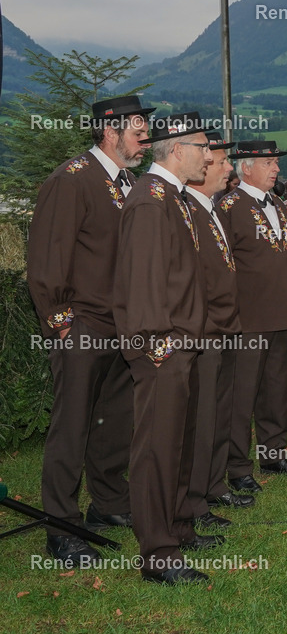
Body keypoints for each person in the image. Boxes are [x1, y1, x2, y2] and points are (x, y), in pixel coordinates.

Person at [27, 95, 152, 566]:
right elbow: (46, 259)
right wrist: (62, 323)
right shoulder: (71, 180)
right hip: (82, 324)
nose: (144, 138)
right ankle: (60, 528)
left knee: (114, 421)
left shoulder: (128, 181)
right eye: (137, 129)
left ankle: (108, 503)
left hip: (123, 324)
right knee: (72, 424)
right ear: (109, 130)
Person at [114, 111, 219, 585]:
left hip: (182, 341)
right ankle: (158, 554)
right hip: (163, 345)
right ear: (177, 149)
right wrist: (157, 342)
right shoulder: (152, 201)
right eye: (203, 146)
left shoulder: (173, 198)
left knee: (177, 440)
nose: (210, 155)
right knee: (157, 447)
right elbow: (142, 280)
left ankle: (177, 528)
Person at [219, 140, 287, 493]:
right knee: (242, 395)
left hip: (280, 315)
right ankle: (238, 467)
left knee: (275, 389)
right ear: (247, 167)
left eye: (276, 162)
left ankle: (274, 454)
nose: (276, 169)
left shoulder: (280, 206)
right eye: (269, 163)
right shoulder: (228, 206)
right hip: (246, 319)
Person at [183, 131, 254, 531]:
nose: (229, 167)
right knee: (201, 416)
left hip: (224, 328)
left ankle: (213, 484)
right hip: (203, 329)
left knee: (219, 411)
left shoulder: (210, 207)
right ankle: (193, 501)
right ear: (203, 169)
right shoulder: (187, 209)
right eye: (223, 162)